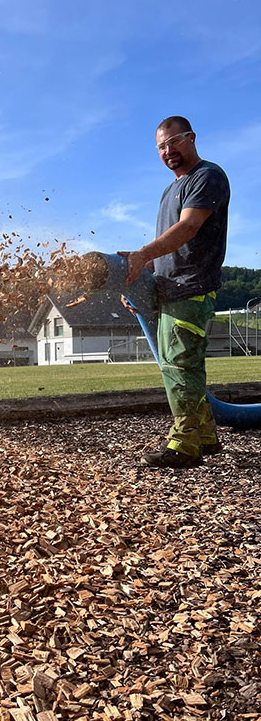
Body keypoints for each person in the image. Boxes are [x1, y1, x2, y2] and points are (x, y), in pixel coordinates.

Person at [118, 116, 230, 468]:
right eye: (161, 147)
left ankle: (184, 444)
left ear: (191, 138)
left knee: (180, 365)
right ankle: (206, 436)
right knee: (181, 365)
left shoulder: (207, 177)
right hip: (170, 288)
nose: (168, 151)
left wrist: (143, 254)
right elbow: (167, 250)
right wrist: (138, 277)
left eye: (174, 142)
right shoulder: (170, 190)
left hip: (191, 288)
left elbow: (190, 227)